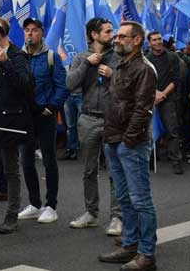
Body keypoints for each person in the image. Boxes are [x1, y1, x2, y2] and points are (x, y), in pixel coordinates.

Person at [98, 21, 158, 271]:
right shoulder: (120, 65)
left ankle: (146, 254)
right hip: (113, 138)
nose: (116, 39)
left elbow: (142, 109)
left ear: (137, 40)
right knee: (124, 197)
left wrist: (127, 140)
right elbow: (116, 102)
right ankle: (130, 245)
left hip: (129, 142)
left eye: (122, 36)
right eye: (117, 36)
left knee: (140, 199)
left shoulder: (144, 69)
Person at [66, 18, 123, 236]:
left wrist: (113, 75)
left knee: (114, 170)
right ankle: (91, 213)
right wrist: (86, 64)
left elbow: (130, 84)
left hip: (112, 119)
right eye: (108, 32)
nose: (113, 35)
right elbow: (70, 84)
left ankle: (117, 217)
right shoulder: (81, 57)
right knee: (88, 170)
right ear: (94, 35)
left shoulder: (119, 57)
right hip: (88, 118)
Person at [0, 18, 32, 235]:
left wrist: (6, 63)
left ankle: (11, 215)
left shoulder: (18, 56)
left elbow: (26, 85)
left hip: (9, 121)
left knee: (10, 169)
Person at [19, 18, 68, 224]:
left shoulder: (51, 57)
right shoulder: (18, 57)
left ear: (42, 33)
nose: (30, 34)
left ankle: (51, 205)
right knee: (26, 160)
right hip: (25, 117)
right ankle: (34, 203)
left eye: (34, 31)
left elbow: (61, 86)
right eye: (27, 30)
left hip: (45, 116)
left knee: (49, 160)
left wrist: (51, 107)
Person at [145, 31, 184, 175]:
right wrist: (154, 93)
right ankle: (149, 161)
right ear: (150, 43)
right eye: (154, 40)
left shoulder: (172, 56)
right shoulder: (146, 59)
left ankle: (176, 162)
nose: (157, 42)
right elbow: (145, 80)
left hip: (168, 99)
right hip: (151, 99)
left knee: (172, 130)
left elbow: (176, 79)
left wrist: (163, 94)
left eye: (159, 39)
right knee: (149, 131)